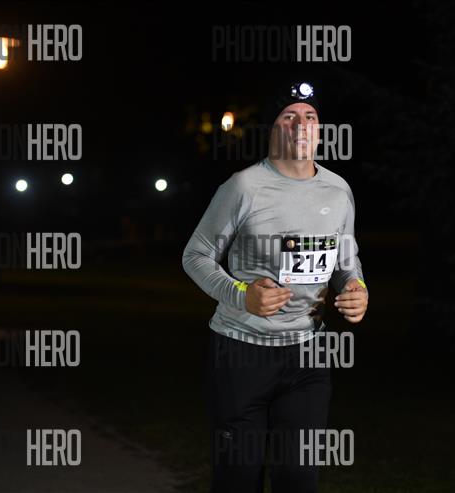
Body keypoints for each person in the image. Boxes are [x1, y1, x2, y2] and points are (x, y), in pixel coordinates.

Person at [182, 80, 368, 492]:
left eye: (310, 116)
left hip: (308, 353)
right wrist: (241, 294)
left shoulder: (338, 190)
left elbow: (345, 258)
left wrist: (356, 286)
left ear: (320, 130)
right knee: (237, 477)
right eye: (289, 116)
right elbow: (195, 256)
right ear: (272, 129)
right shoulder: (243, 187)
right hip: (241, 351)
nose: (301, 125)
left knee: (298, 478)